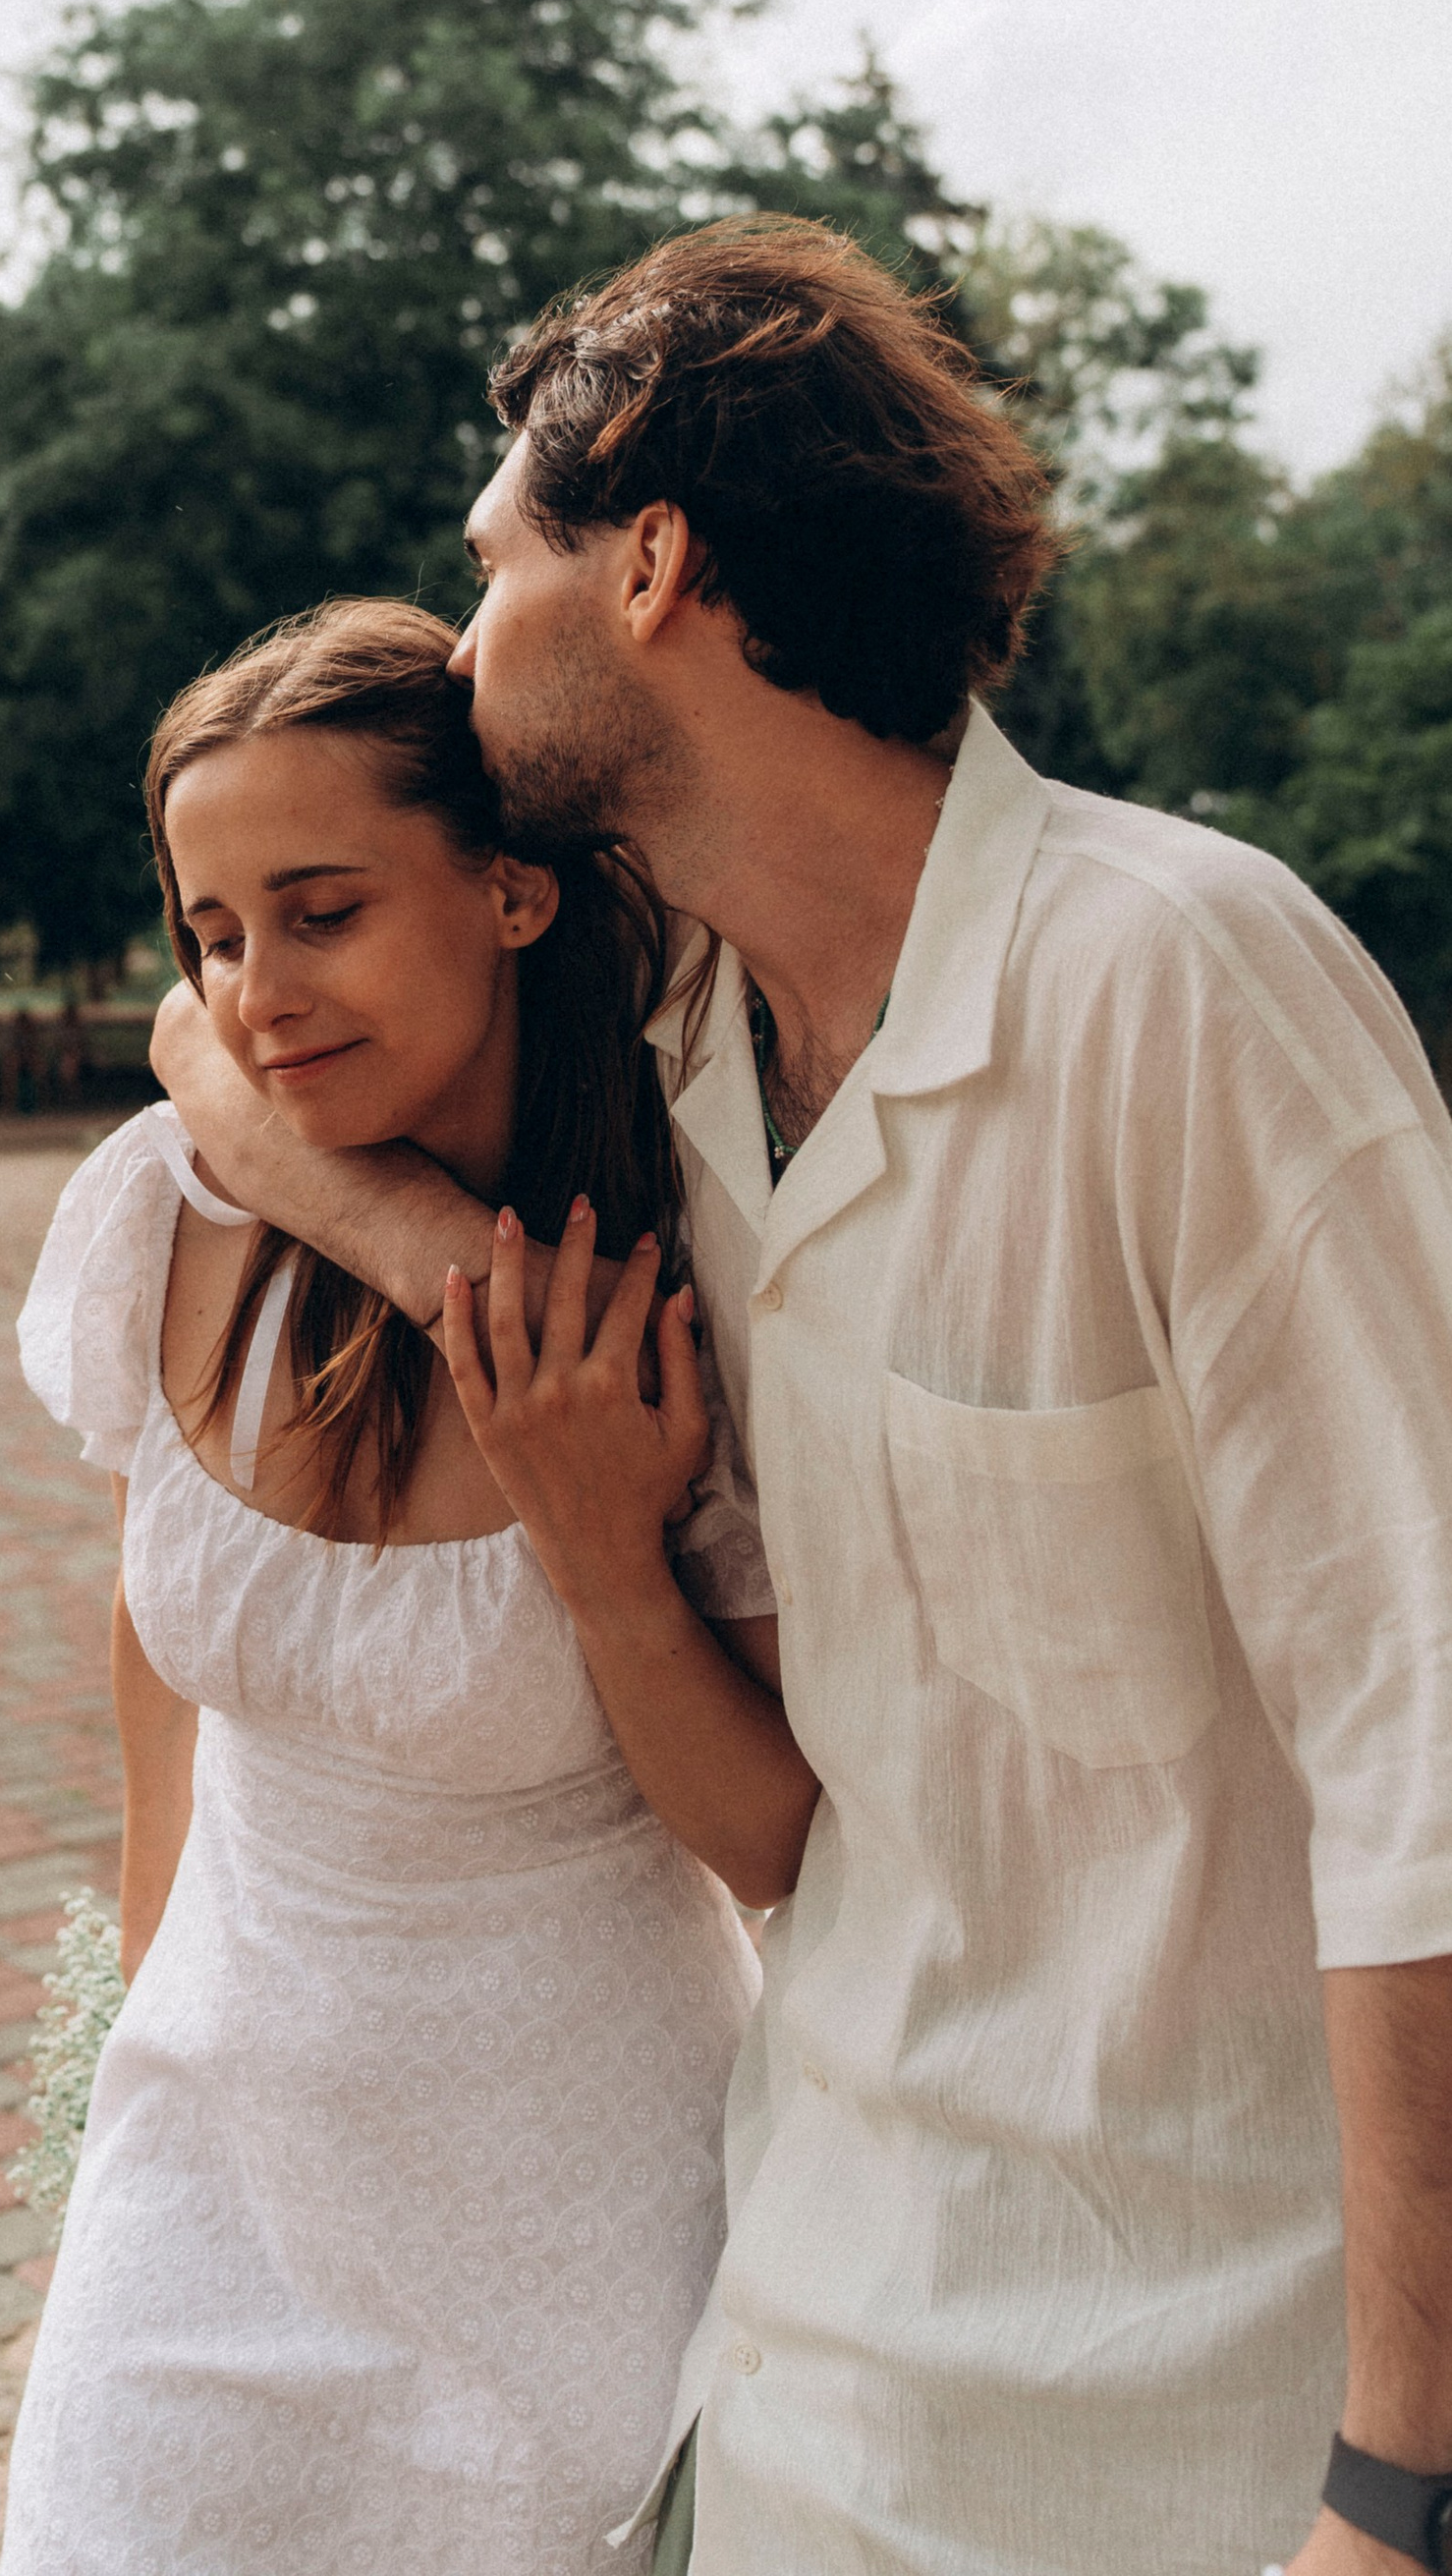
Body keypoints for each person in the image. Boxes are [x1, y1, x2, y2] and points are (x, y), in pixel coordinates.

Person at [154, 218, 1452, 2576]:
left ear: (650, 561)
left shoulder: (1180, 984)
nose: (461, 644)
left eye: (495, 569)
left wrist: (1399, 2484)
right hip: (800, 2368)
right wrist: (438, 1265)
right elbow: (209, 1051)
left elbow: (1425, 1768)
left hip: (1193, 2442)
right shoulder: (672, 1041)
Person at [0, 601, 819, 2576]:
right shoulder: (171, 1218)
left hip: (565, 2228)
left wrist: (604, 1558)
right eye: (214, 932)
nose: (257, 994)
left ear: (513, 893)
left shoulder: (675, 1309)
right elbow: (158, 1663)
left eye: (323, 912)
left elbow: (780, 1843)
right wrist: (138, 2030)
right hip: (204, 2178)